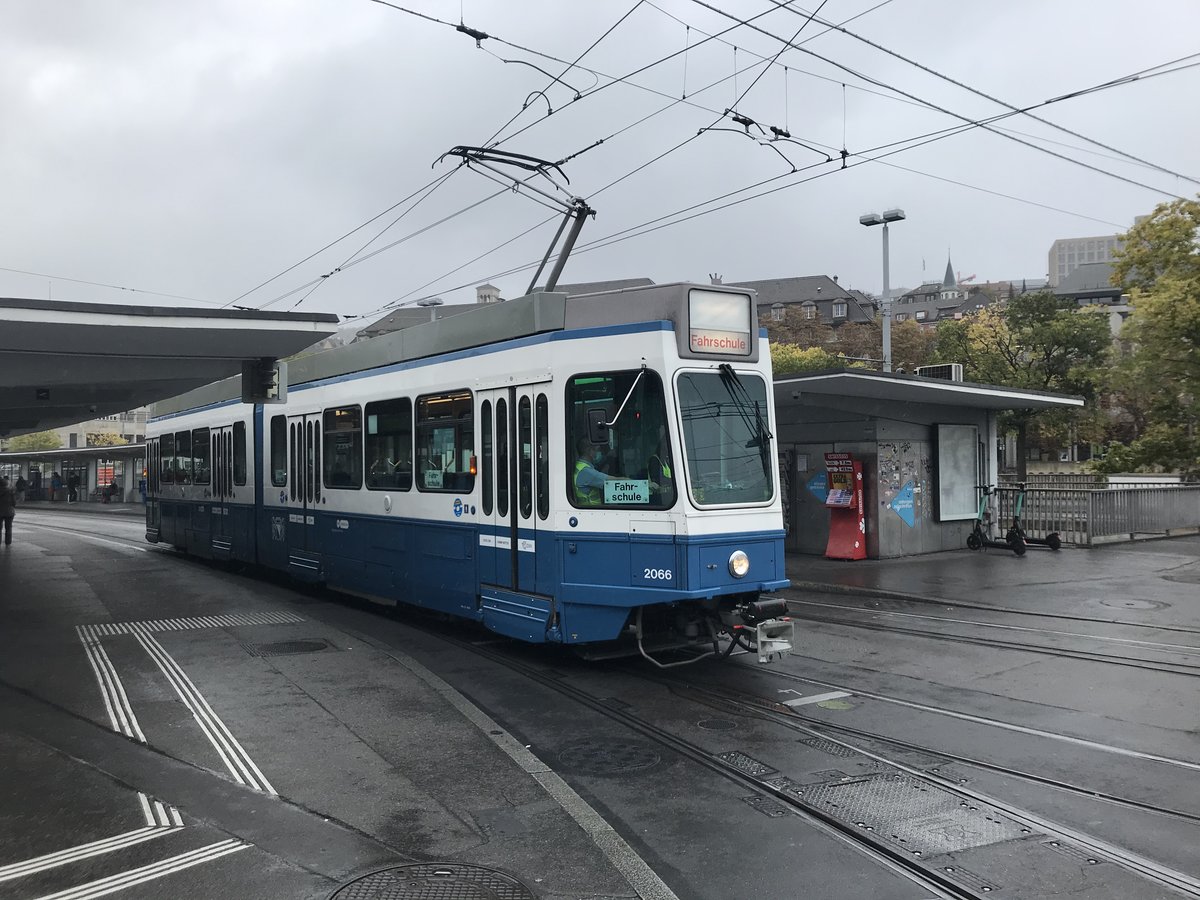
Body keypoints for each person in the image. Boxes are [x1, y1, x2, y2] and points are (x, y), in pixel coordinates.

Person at [573, 437, 617, 506]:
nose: (599, 453)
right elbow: (614, 481)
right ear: (589, 451)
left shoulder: (579, 465)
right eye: (597, 450)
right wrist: (635, 482)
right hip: (592, 511)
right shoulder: (586, 472)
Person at [0, 477, 15, 546]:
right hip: (9, 512)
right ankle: (8, 542)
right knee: (8, 528)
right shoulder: (10, 491)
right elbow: (14, 503)